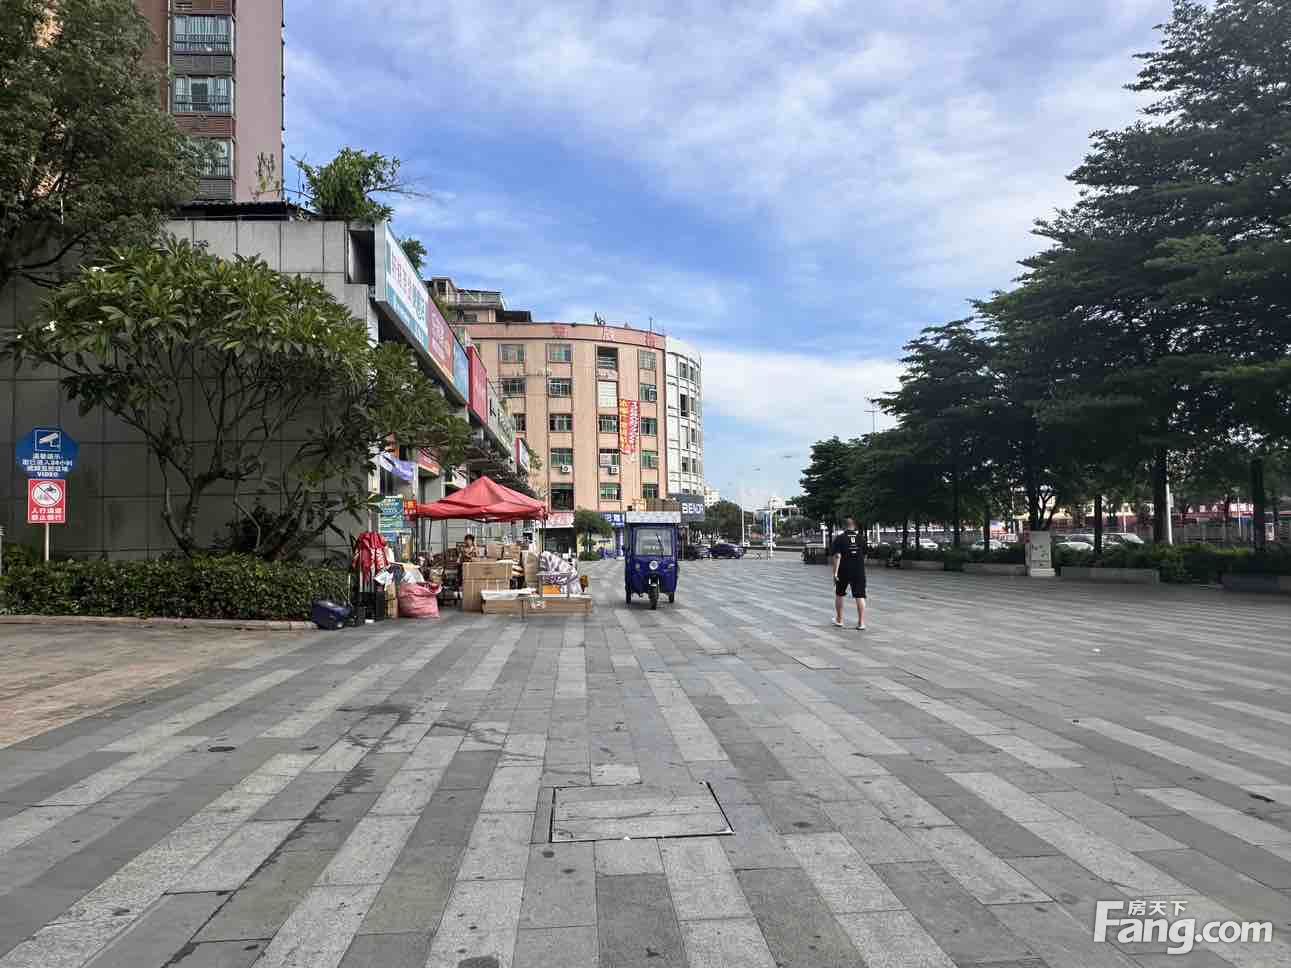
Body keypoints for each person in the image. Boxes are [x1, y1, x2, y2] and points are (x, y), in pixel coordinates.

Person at [831, 517, 867, 629]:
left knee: (839, 594)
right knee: (860, 595)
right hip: (858, 570)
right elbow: (865, 555)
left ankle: (839, 620)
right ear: (854, 526)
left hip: (843, 570)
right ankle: (861, 623)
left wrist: (835, 573)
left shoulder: (839, 538)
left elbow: (837, 556)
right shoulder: (861, 538)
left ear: (844, 526)